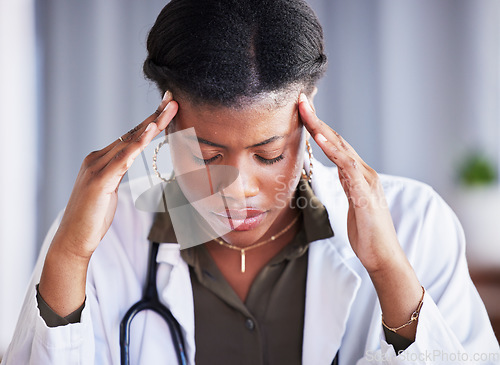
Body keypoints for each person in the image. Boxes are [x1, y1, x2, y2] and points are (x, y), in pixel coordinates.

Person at [2, 0, 499, 364]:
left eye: (270, 154)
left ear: (309, 116)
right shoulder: (101, 235)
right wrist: (68, 256)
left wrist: (388, 267)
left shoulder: (415, 222)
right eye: (206, 154)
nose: (238, 188)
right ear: (165, 121)